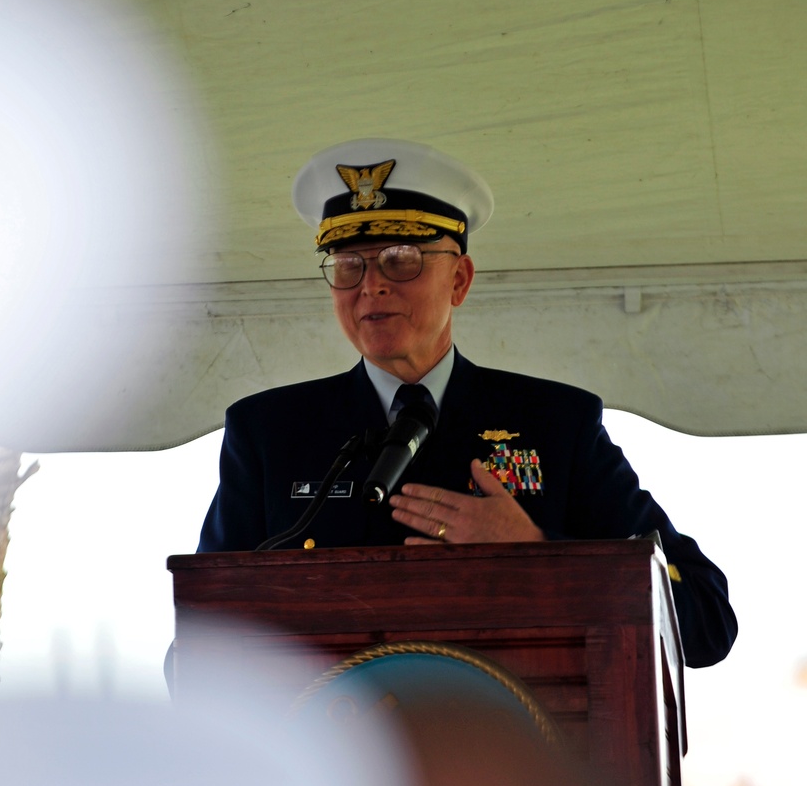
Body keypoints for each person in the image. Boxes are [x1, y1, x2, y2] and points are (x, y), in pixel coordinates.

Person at [198, 139, 736, 667]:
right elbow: (199, 645)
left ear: (459, 279)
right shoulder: (270, 432)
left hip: (517, 748)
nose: (371, 286)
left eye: (400, 260)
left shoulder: (555, 423)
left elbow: (704, 620)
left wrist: (537, 555)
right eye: (348, 266)